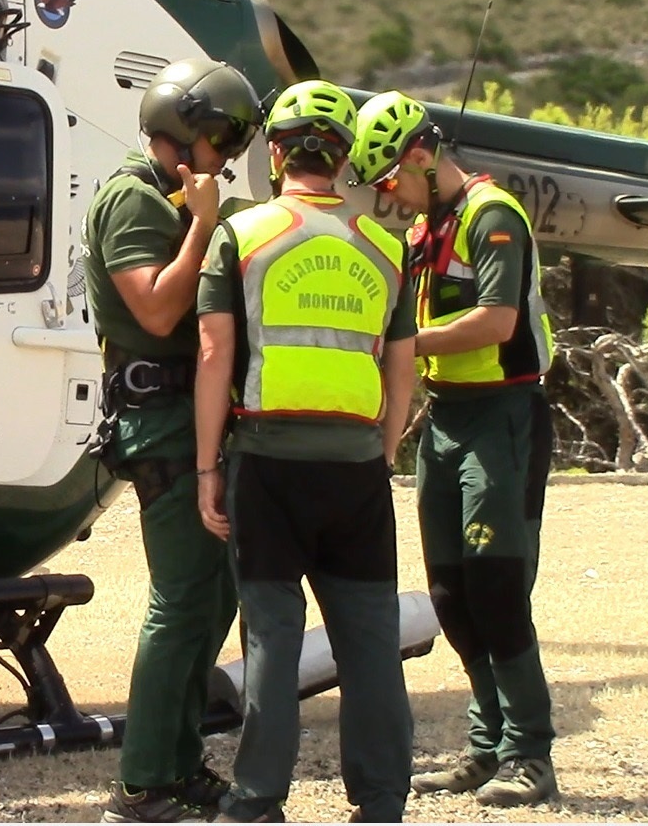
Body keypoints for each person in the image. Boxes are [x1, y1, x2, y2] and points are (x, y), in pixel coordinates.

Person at [194, 80, 418, 823]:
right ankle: (381, 801)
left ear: (276, 153)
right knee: (370, 642)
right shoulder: (386, 246)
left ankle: (258, 798)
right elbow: (400, 365)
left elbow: (213, 354)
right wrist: (382, 450)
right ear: (346, 158)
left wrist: (206, 469)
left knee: (272, 638)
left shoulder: (241, 234)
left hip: (267, 462)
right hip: (356, 467)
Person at [350, 90, 558, 807]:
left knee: (497, 585)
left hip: (503, 416)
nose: (388, 197)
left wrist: (404, 345)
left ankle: (529, 752)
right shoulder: (422, 229)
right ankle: (486, 744)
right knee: (449, 592)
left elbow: (497, 321)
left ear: (420, 155)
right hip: (445, 417)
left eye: (389, 180)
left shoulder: (491, 215)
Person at [82, 58, 259, 823]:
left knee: (212, 595)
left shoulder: (170, 197)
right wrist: (204, 224)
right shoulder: (130, 199)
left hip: (191, 417)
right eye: (222, 139)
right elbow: (154, 309)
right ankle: (144, 780)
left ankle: (178, 762)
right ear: (184, 131)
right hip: (159, 422)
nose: (226, 156)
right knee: (182, 596)